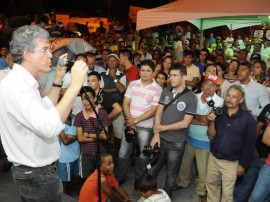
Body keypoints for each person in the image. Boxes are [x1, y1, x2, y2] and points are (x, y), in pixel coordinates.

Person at [0, 25, 88, 201]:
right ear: (27, 54)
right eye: (45, 49)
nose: (51, 55)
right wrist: (76, 85)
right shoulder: (18, 87)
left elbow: (46, 109)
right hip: (37, 175)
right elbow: (50, 126)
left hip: (35, 173)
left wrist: (58, 80)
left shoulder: (22, 82)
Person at [148, 63, 198, 197]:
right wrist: (156, 134)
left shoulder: (191, 97)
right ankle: (150, 195)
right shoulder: (165, 91)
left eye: (175, 75)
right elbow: (158, 113)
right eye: (170, 75)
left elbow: (185, 123)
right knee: (152, 169)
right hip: (161, 139)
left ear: (184, 77)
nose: (171, 78)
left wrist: (162, 127)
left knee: (171, 173)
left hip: (177, 142)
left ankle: (166, 197)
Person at [174, 74, 224, 202]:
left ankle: (202, 191)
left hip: (205, 141)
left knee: (203, 169)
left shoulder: (219, 101)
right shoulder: (194, 97)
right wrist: (199, 119)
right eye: (206, 84)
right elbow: (187, 117)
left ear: (216, 87)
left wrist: (194, 118)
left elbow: (208, 121)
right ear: (202, 85)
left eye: (212, 85)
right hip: (190, 137)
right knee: (185, 164)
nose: (208, 87)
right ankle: (182, 182)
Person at [114, 59, 162, 188]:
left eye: (148, 71)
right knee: (123, 153)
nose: (145, 73)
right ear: (139, 71)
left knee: (143, 155)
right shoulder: (133, 84)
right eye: (142, 70)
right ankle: (119, 177)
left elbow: (153, 110)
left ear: (153, 73)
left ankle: (139, 180)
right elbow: (126, 103)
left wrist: (135, 120)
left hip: (145, 127)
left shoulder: (157, 89)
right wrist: (130, 120)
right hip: (130, 124)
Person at [206, 85, 257, 202]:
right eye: (228, 95)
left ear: (241, 100)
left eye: (234, 97)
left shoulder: (248, 118)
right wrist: (212, 122)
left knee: (227, 195)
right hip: (214, 158)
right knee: (211, 186)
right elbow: (211, 135)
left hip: (231, 163)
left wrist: (243, 165)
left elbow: (249, 145)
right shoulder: (218, 112)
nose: (229, 99)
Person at [74, 86, 110, 179]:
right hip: (86, 153)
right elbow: (80, 138)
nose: (86, 101)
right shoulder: (79, 116)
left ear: (94, 98)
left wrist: (89, 135)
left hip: (101, 152)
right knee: (88, 180)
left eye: (88, 98)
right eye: (83, 99)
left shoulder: (102, 113)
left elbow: (106, 136)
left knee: (102, 179)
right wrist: (98, 137)